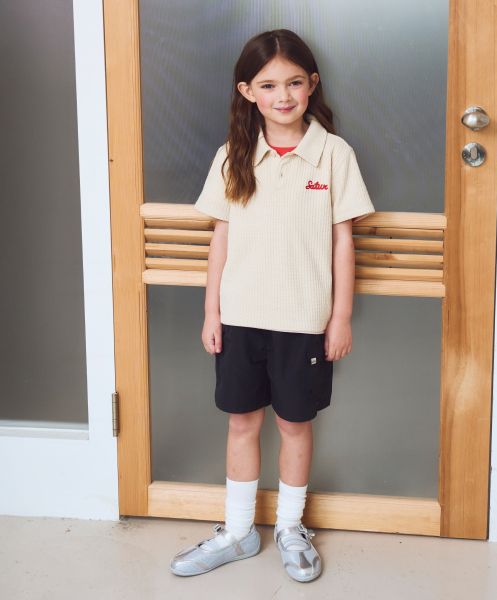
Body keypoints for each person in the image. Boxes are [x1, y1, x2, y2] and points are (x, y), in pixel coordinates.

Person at [170, 29, 375, 582]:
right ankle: (238, 532)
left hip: (304, 322)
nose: (283, 95)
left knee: (294, 425)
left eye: (294, 82)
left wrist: (339, 317)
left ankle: (290, 527)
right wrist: (211, 313)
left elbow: (343, 241)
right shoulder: (232, 155)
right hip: (239, 319)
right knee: (241, 423)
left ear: (312, 85)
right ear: (247, 91)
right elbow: (220, 239)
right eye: (268, 85)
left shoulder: (333, 154)